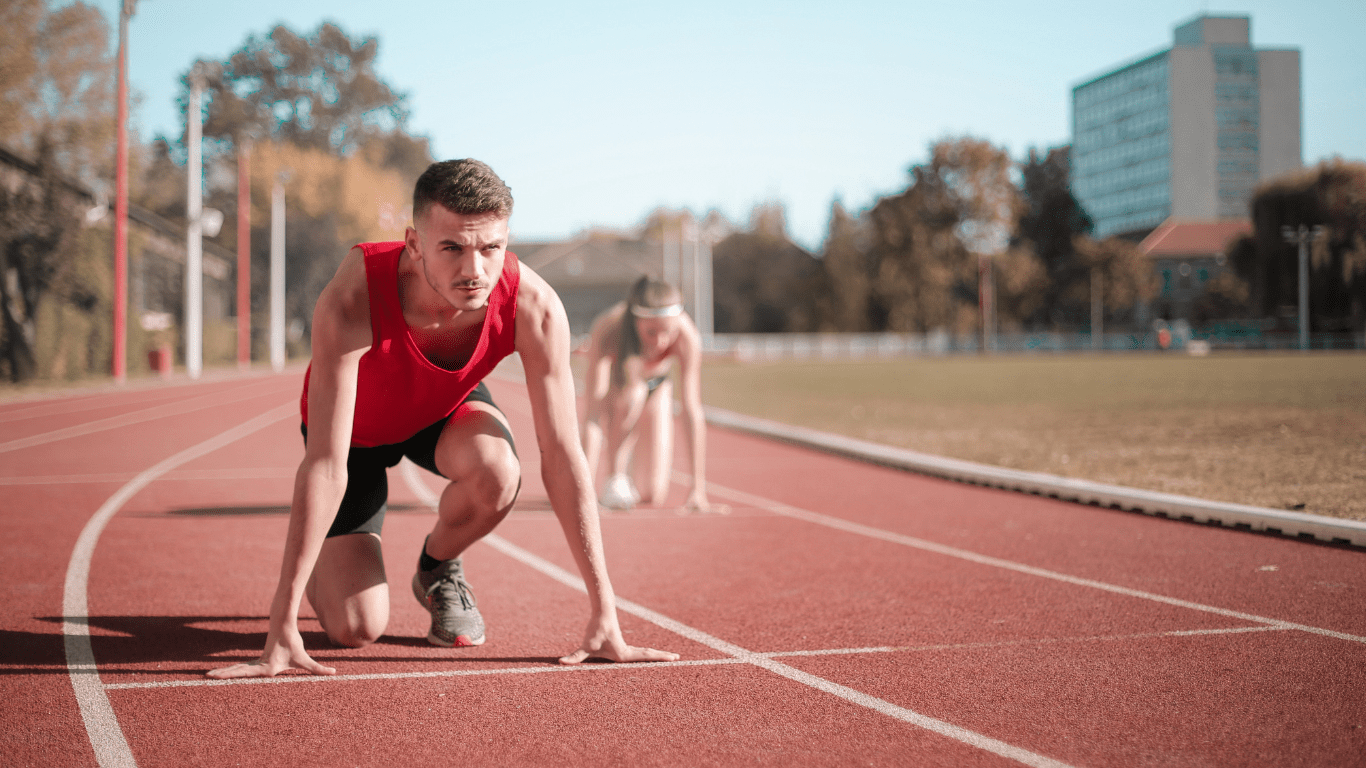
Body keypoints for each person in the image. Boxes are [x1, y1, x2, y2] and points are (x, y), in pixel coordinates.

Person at [209, 159, 678, 679]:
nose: (473, 270)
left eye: (490, 248)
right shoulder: (353, 296)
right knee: (356, 629)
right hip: (356, 437)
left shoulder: (534, 307)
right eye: (451, 247)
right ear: (414, 244)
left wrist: (604, 613)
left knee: (500, 471)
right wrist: (281, 623)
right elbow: (325, 463)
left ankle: (436, 568)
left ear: (506, 241)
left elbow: (564, 456)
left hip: (441, 411)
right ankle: (324, 557)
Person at [579, 277, 719, 513]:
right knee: (634, 394)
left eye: (668, 331)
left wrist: (697, 488)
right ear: (635, 322)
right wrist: (582, 491)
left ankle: (634, 473)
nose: (660, 341)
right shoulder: (608, 328)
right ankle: (615, 476)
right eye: (651, 332)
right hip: (621, 388)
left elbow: (691, 409)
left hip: (658, 387)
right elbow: (592, 414)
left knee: (651, 493)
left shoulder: (687, 336)